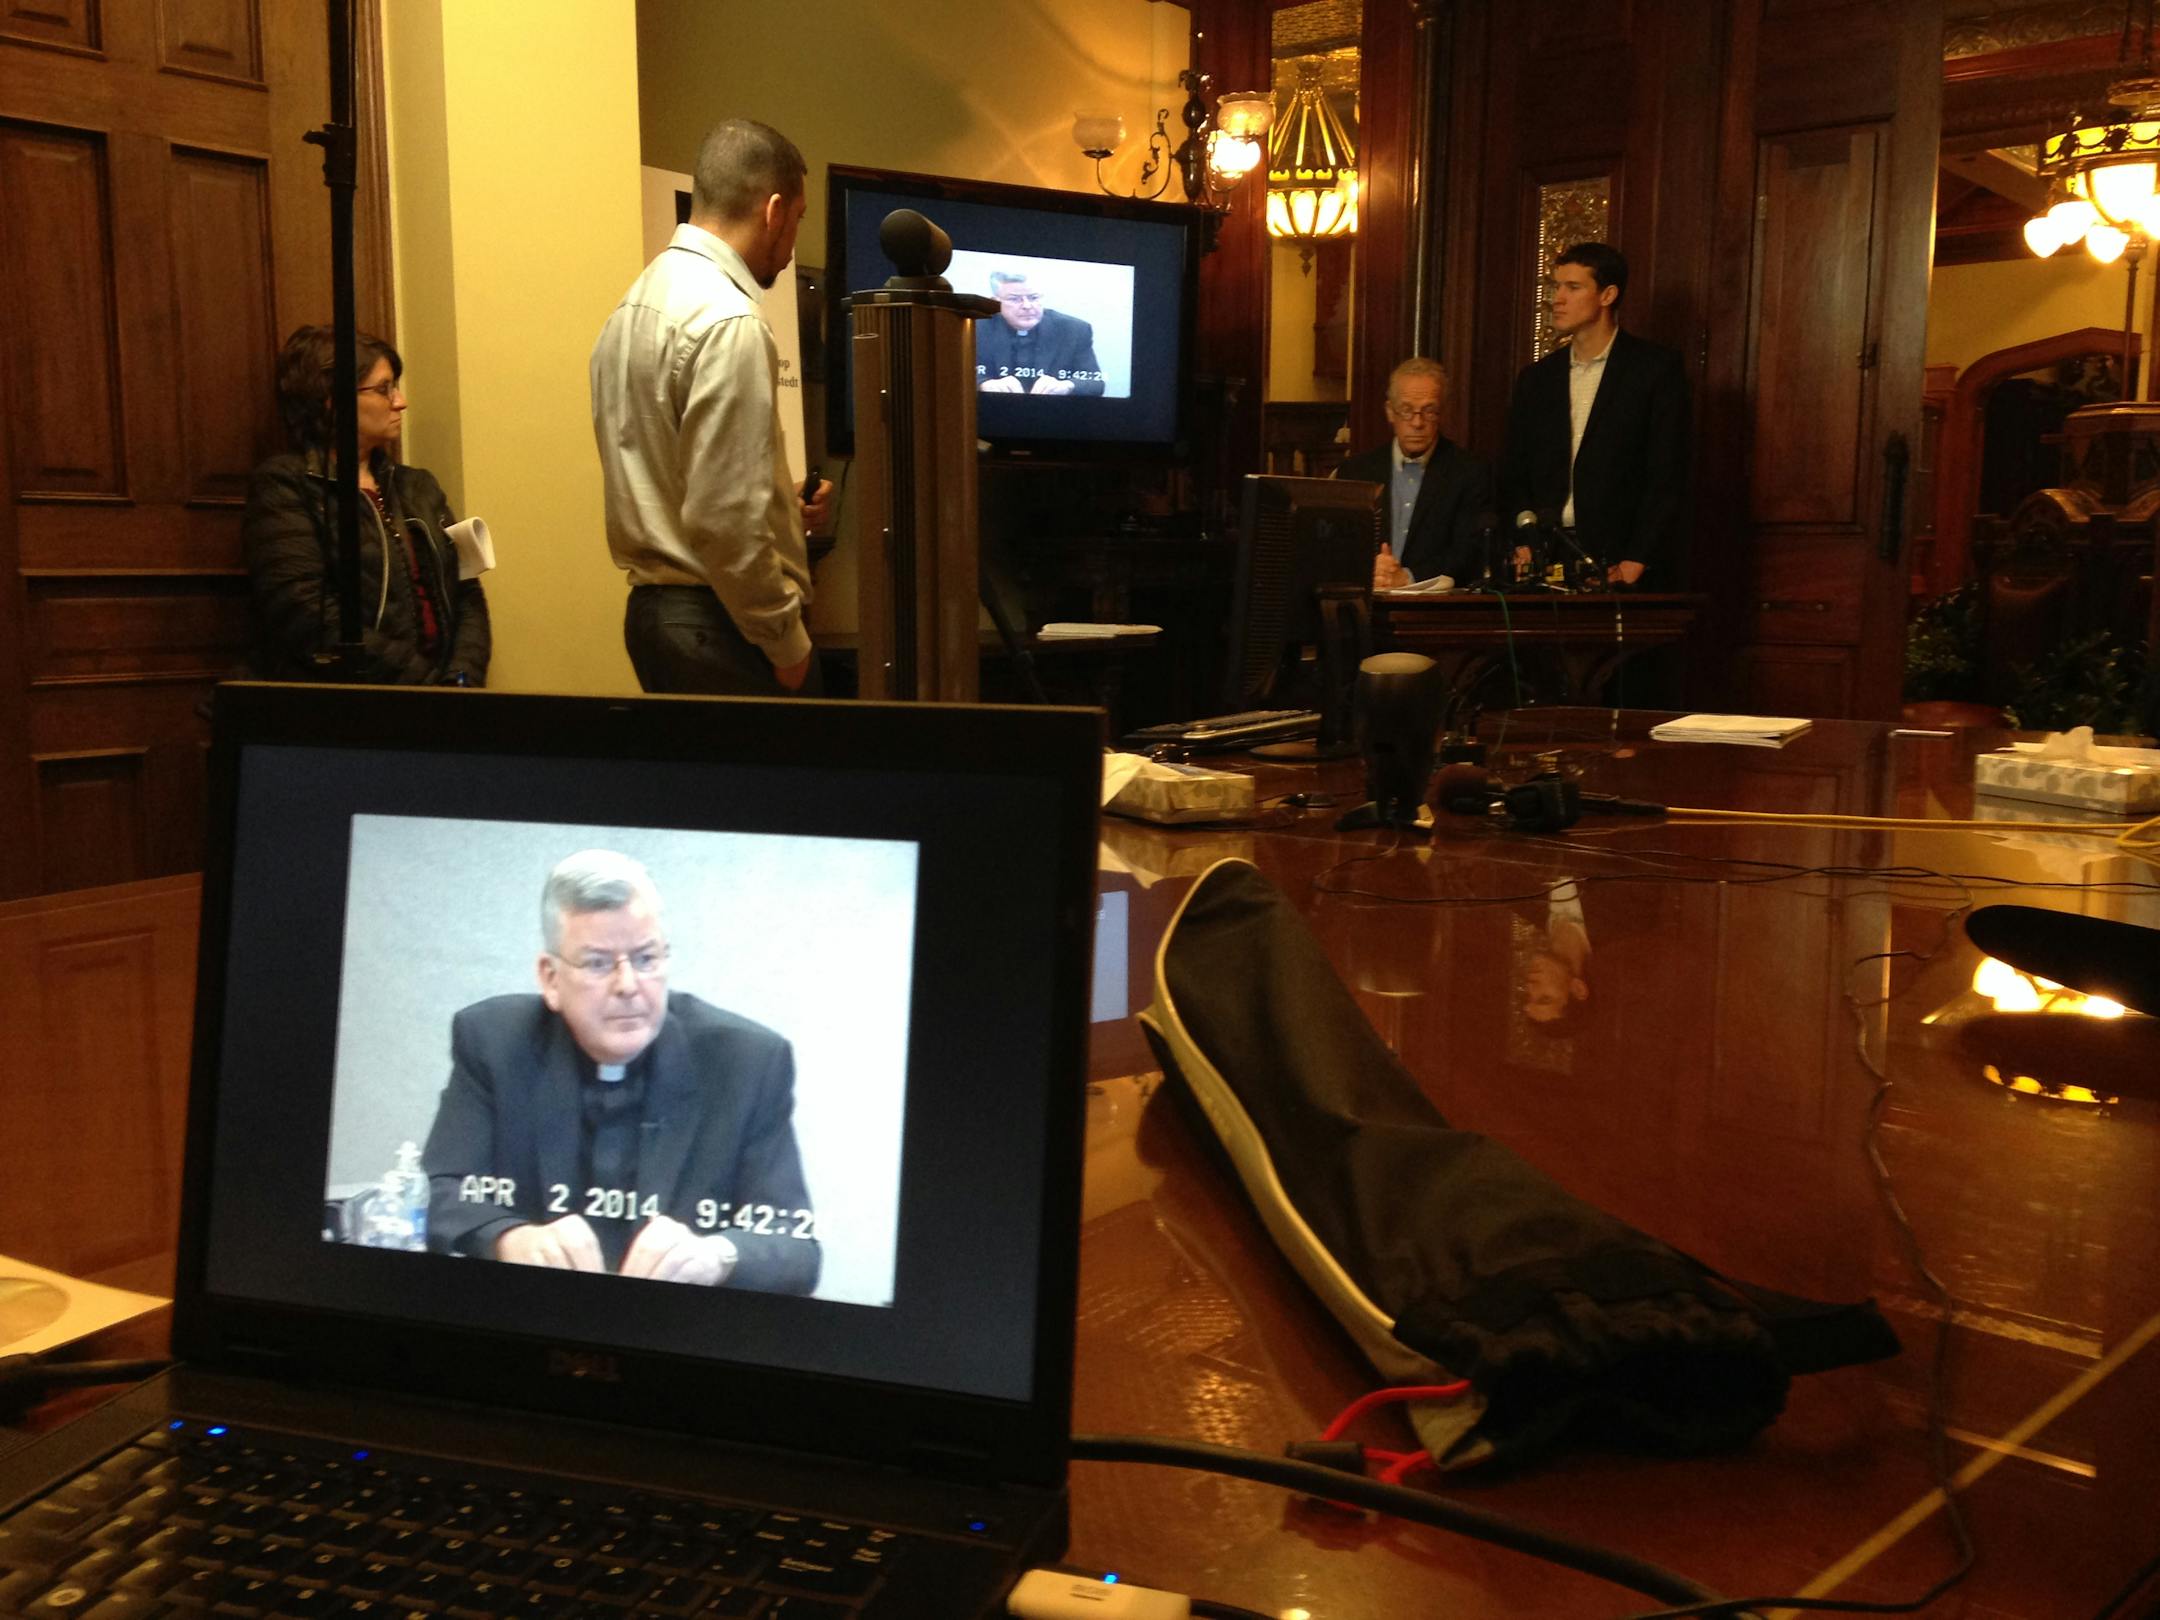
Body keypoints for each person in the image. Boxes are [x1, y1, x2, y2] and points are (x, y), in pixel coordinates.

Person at [421, 850, 821, 1295]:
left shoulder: (747, 1062)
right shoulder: (494, 1042)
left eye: (646, 958)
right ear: (550, 978)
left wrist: (717, 1256)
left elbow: (796, 1246)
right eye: (597, 963)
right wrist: (510, 1238)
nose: (628, 985)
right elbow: (440, 1192)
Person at [591, 119, 832, 698]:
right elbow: (722, 518)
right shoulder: (730, 320)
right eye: (797, 219)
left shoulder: (631, 309)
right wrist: (786, 642)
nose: (793, 241)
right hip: (724, 629)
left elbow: (677, 482)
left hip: (659, 619)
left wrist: (778, 508)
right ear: (774, 210)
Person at [240, 326, 490, 684]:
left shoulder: (418, 486)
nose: (400, 401)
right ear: (332, 399)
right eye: (383, 389)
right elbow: (307, 615)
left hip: (440, 702)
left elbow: (466, 591)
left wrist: (461, 678)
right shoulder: (285, 485)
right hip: (343, 706)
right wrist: (423, 683)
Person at [1497, 242, 1690, 585]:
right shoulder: (1536, 379)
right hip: (1547, 555)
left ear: (1607, 295)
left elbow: (1666, 474)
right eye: (1556, 286)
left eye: (1573, 287)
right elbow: (1515, 470)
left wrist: (1636, 560)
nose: (1557, 298)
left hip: (1620, 560)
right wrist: (1524, 540)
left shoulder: (1654, 370)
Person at [1335, 357, 1493, 589]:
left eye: (1429, 411)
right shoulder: (1356, 471)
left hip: (1433, 612)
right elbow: (1338, 544)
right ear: (1390, 412)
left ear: (1442, 413)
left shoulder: (1469, 472)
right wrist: (1370, 568)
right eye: (1407, 410)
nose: (1417, 423)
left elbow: (1468, 551)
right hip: (1364, 602)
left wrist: (1408, 577)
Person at [975, 270, 1106, 396]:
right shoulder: (974, 329)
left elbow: (1096, 383)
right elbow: (956, 373)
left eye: (1033, 298)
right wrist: (983, 384)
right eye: (1014, 299)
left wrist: (1067, 385)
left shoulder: (1074, 330)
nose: (1027, 306)